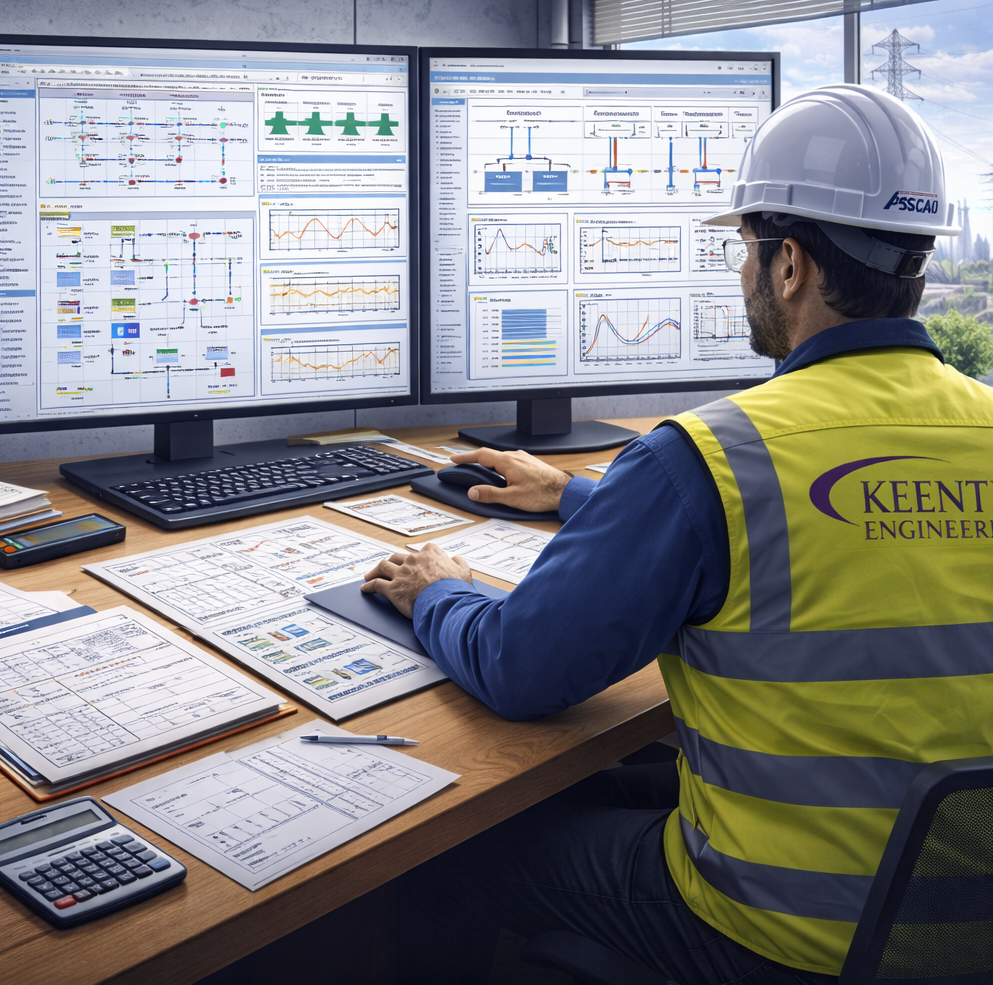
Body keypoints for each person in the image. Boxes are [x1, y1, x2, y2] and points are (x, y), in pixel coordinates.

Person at [366, 84, 993, 983]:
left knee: (448, 845)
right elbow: (840, 526)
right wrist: (582, 496)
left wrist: (440, 591)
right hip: (958, 910)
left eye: (744, 246)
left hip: (784, 933)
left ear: (790, 266)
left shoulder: (711, 455)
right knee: (601, 788)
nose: (740, 271)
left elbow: (522, 671)